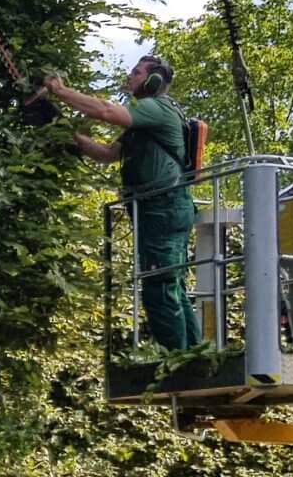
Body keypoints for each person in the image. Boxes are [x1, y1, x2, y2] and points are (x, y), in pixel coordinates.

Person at [33, 55, 199, 352]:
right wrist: (66, 131)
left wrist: (60, 91)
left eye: (136, 73)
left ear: (153, 80)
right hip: (157, 208)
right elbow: (107, 154)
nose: (130, 77)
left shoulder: (157, 108)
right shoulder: (145, 121)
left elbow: (106, 111)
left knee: (159, 286)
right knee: (170, 285)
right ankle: (193, 355)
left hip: (164, 206)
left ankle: (181, 362)